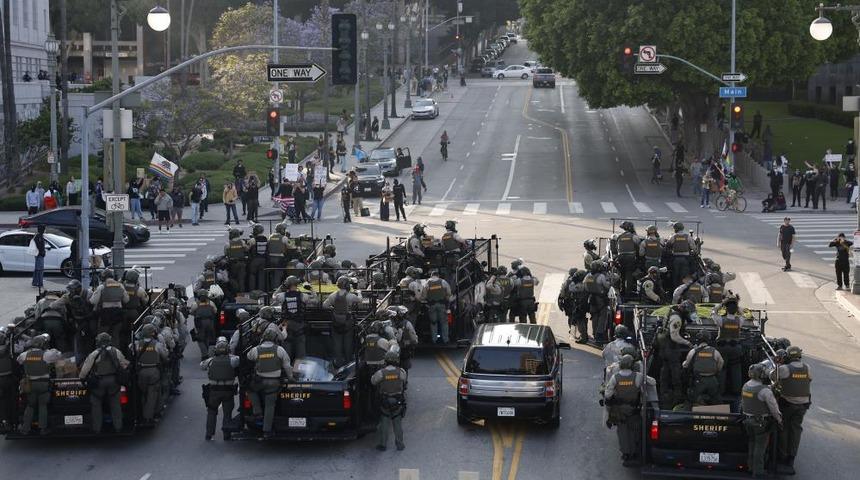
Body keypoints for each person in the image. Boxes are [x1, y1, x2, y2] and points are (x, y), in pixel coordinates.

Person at [604, 354, 655, 466]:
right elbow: (653, 382)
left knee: (622, 432)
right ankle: (634, 452)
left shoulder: (615, 377)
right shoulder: (638, 376)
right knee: (634, 431)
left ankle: (626, 453)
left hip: (619, 410)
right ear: (632, 365)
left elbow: (608, 395)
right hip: (634, 410)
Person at [78, 332, 129, 433]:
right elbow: (125, 365)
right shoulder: (116, 351)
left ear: (98, 341)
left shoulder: (94, 354)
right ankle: (118, 427)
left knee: (96, 404)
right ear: (109, 340)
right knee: (115, 405)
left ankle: (97, 429)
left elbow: (85, 370)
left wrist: (82, 378)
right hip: (114, 382)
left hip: (99, 383)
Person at [247, 329, 292, 439]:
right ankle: (267, 431)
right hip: (274, 383)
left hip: (259, 381)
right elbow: (287, 366)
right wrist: (290, 378)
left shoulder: (256, 350)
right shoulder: (279, 350)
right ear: (275, 338)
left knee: (250, 390)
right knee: (270, 406)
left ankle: (257, 411)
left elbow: (249, 357)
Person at [742, 363, 783, 479]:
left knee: (752, 444)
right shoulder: (765, 391)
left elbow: (756, 393)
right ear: (761, 375)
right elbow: (774, 409)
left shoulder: (745, 386)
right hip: (760, 423)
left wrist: (770, 388)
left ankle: (750, 467)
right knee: (760, 447)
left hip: (747, 421)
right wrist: (779, 420)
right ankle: (758, 472)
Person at [776, 345, 811, 475]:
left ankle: (782, 455)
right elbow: (809, 380)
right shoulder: (807, 368)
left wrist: (779, 365)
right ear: (799, 356)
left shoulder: (785, 369)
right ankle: (791, 457)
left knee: (784, 429)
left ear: (788, 357)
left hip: (787, 404)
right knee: (796, 430)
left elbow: (772, 376)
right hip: (802, 406)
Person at [16, 334, 61, 434]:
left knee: (30, 405)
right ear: (43, 344)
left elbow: (18, 360)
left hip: (30, 385)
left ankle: (25, 428)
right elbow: (58, 355)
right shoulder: (46, 354)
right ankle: (43, 429)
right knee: (43, 406)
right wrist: (50, 349)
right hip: (43, 384)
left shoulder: (25, 355)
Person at [200, 337, 239, 441]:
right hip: (228, 391)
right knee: (227, 413)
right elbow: (238, 361)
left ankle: (209, 434)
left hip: (214, 392)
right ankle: (227, 435)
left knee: (212, 412)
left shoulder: (211, 361)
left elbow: (202, 366)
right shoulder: (233, 360)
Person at [656, 301, 693, 408]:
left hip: (664, 347)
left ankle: (664, 395)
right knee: (676, 373)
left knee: (665, 371)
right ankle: (677, 397)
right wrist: (688, 343)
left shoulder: (672, 311)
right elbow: (674, 336)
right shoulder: (677, 318)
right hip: (671, 348)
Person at [372, 350, 408, 451]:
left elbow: (373, 381)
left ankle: (383, 444)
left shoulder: (381, 373)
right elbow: (404, 381)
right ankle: (400, 444)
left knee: (384, 423)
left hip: (385, 401)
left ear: (386, 360)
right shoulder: (401, 372)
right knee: (397, 424)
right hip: (397, 401)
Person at [323, 276, 363, 366]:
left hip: (336, 323)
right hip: (347, 323)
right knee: (348, 343)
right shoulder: (350, 296)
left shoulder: (333, 295)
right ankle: (348, 363)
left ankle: (338, 362)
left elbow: (324, 305)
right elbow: (360, 300)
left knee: (337, 344)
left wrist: (334, 309)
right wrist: (359, 293)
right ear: (347, 285)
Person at [682, 331, 724, 406]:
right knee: (716, 400)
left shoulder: (693, 351)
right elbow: (721, 363)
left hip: (698, 381)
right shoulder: (715, 351)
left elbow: (686, 365)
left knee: (693, 399)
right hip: (712, 380)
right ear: (708, 339)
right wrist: (716, 371)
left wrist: (683, 363)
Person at [423, 270, 452, 344]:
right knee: (444, 322)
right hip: (442, 305)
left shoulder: (427, 283)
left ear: (431, 275)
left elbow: (424, 295)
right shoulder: (443, 282)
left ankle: (434, 339)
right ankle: (446, 339)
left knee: (433, 323)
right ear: (438, 275)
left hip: (431, 305)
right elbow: (449, 292)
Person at [613, 221, 640, 296]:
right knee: (629, 275)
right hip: (630, 258)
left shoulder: (619, 236)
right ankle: (628, 292)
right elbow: (638, 245)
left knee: (622, 275)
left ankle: (622, 291)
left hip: (620, 258)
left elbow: (616, 248)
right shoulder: (633, 236)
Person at [665, 222, 696, 287]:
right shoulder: (688, 237)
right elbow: (694, 247)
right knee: (685, 275)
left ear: (675, 229)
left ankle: (675, 289)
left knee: (675, 275)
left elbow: (667, 246)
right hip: (686, 259)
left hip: (675, 258)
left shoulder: (673, 237)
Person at [190, 289, 218, 359]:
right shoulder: (211, 303)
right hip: (210, 322)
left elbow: (192, 312)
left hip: (199, 323)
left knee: (200, 339)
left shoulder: (195, 304)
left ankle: (205, 354)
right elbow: (215, 311)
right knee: (209, 337)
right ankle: (208, 353)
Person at [225, 228, 249, 293]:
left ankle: (236, 291)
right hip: (242, 263)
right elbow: (247, 249)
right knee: (241, 279)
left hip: (233, 264)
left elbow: (226, 253)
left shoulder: (228, 244)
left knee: (232, 278)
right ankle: (242, 294)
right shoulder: (242, 242)